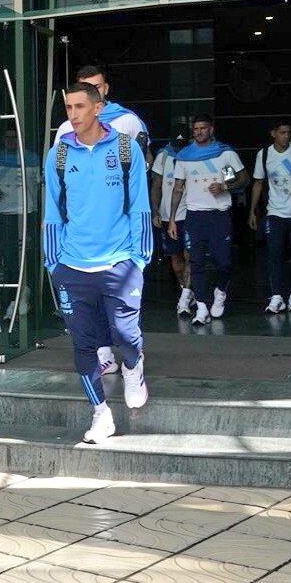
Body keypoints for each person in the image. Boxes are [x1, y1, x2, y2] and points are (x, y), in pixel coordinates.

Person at [44, 83, 153, 445]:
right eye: (68, 108)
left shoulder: (125, 149)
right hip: (72, 267)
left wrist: (139, 260)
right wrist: (53, 263)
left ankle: (134, 367)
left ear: (97, 108)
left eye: (80, 106)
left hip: (120, 262)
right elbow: (53, 212)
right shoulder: (58, 155)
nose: (73, 114)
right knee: (83, 345)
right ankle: (100, 414)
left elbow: (140, 206)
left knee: (126, 335)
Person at [54, 65, 150, 375]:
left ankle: (132, 360)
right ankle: (104, 354)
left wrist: (139, 254)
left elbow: (142, 171)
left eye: (95, 87)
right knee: (90, 311)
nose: (88, 93)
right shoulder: (64, 130)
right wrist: (53, 258)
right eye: (83, 86)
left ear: (104, 90)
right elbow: (59, 188)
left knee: (122, 317)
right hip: (79, 245)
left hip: (119, 242)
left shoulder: (128, 122)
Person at [168, 115, 249, 326]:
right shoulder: (184, 156)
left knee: (224, 262)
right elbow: (178, 189)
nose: (199, 132)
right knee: (196, 263)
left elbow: (242, 179)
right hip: (194, 216)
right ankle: (202, 308)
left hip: (219, 215)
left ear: (211, 129)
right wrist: (172, 219)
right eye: (196, 129)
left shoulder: (223, 153)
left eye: (203, 128)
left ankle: (220, 292)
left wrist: (224, 186)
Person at [248, 120, 291, 313]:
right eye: (282, 132)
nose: (286, 136)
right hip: (275, 212)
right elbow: (258, 183)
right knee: (274, 255)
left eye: (288, 132)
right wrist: (252, 211)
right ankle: (277, 296)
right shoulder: (264, 154)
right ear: (273, 133)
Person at [0, 127, 41, 320]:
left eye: (15, 137)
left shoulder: (32, 159)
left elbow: (39, 185)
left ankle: (25, 295)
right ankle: (12, 298)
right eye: (8, 137)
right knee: (9, 257)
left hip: (26, 213)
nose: (11, 140)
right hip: (6, 214)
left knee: (26, 256)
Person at [151, 131, 192, 315]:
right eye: (176, 145)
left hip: (190, 213)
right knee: (175, 256)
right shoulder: (164, 155)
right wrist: (155, 211)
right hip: (168, 216)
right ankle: (185, 291)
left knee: (190, 255)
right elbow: (156, 185)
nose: (179, 149)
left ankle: (187, 295)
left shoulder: (193, 155)